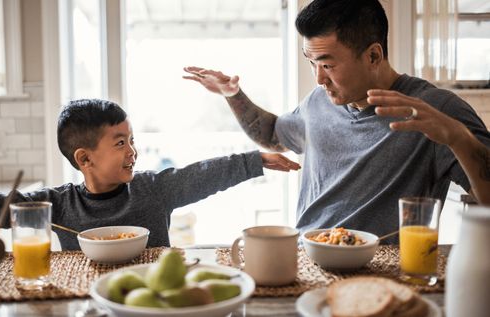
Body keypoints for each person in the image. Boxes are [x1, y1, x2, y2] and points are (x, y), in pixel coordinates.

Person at [182, 0, 490, 240]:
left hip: (382, 272)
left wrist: (457, 137)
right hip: (305, 260)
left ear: (373, 56)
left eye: (327, 64)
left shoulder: (435, 109)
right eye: (311, 61)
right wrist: (232, 94)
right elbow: (273, 135)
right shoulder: (318, 101)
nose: (318, 78)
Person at [0, 99, 300, 250]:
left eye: (132, 140)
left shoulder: (152, 189)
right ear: (84, 159)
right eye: (120, 143)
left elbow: (202, 174)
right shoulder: (58, 205)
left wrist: (255, 161)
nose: (132, 151)